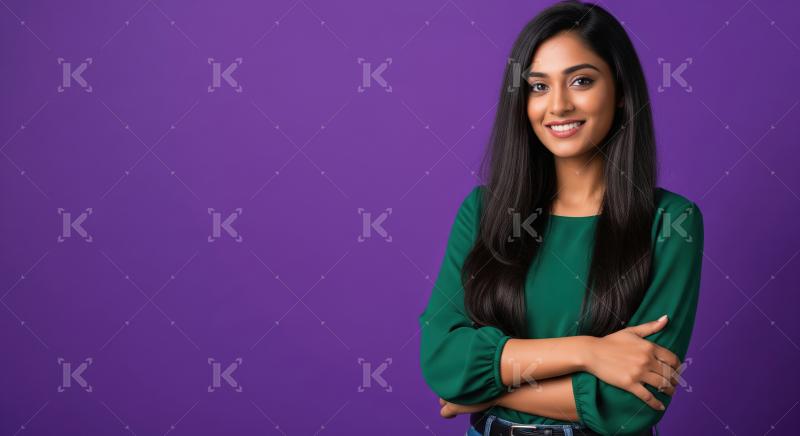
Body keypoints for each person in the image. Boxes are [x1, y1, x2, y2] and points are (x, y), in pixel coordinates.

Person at [418, 1, 704, 435]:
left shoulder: (671, 222)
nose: (559, 105)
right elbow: (441, 359)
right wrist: (589, 353)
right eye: (538, 87)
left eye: (581, 81)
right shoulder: (483, 212)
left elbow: (631, 407)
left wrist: (486, 388)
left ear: (622, 92)